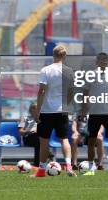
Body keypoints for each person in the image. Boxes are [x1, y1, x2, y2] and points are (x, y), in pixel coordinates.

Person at [31, 45, 76, 177]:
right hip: (62, 110)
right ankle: (68, 167)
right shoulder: (69, 71)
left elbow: (42, 91)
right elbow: (71, 91)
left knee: (44, 141)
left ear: (53, 55)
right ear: (64, 56)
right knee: (64, 139)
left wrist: (38, 111)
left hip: (47, 111)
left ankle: (41, 171)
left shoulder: (46, 70)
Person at [19, 102, 44, 167]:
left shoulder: (43, 119)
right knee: (39, 140)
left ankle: (37, 165)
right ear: (30, 110)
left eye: (36, 108)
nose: (35, 110)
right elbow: (20, 131)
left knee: (39, 140)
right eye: (33, 108)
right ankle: (39, 163)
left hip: (39, 138)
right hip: (28, 137)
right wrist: (28, 131)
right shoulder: (24, 118)